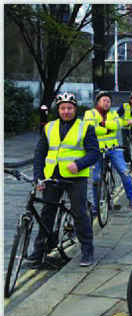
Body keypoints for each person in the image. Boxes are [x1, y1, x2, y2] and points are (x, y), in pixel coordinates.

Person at [28, 93, 101, 267]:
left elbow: (94, 152)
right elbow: (40, 153)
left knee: (79, 213)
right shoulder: (49, 127)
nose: (66, 111)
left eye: (69, 108)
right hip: (52, 176)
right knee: (47, 214)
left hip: (76, 177)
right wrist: (38, 177)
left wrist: (79, 163)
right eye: (62, 108)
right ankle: (38, 252)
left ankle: (87, 252)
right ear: (58, 109)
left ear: (75, 109)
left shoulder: (85, 127)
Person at [84, 91, 132, 212]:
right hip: (97, 150)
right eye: (104, 100)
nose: (107, 103)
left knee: (124, 172)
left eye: (108, 101)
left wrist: (102, 124)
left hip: (113, 149)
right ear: (98, 102)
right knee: (96, 179)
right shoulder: (90, 113)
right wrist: (109, 128)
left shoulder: (113, 113)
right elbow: (90, 128)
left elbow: (118, 124)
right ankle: (96, 207)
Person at [117, 92, 132, 166]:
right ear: (130, 99)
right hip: (126, 128)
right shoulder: (125, 106)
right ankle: (127, 161)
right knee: (126, 145)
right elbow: (117, 114)